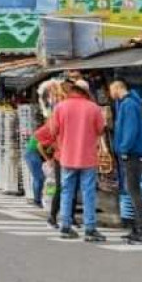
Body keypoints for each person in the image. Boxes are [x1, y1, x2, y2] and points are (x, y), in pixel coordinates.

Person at [49, 79, 107, 242]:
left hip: (67, 156)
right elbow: (101, 129)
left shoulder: (60, 107)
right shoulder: (94, 108)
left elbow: (53, 130)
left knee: (67, 191)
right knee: (88, 193)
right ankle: (90, 229)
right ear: (86, 93)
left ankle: (65, 227)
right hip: (88, 157)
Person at [109, 77, 142, 244]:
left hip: (132, 154)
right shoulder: (129, 103)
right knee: (133, 191)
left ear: (118, 87)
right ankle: (137, 229)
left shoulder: (128, 105)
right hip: (133, 153)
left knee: (134, 193)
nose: (110, 93)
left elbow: (130, 129)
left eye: (111, 89)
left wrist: (124, 149)